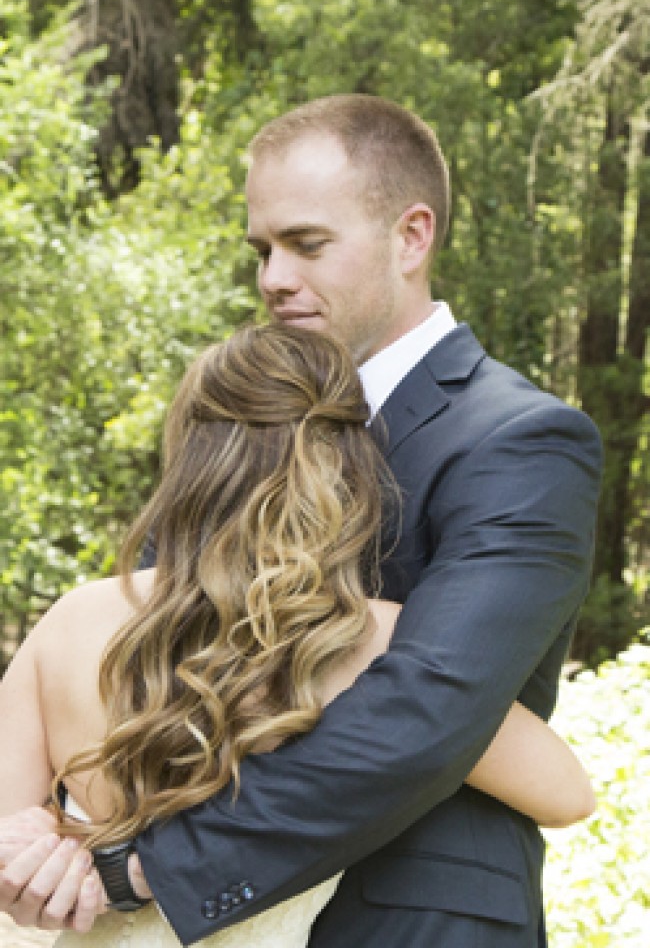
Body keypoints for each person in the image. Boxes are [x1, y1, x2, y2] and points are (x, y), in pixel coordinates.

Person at [0, 96, 603, 947]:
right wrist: (42, 838)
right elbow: (153, 663)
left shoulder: (519, 438)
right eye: (263, 249)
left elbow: (432, 705)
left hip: (410, 918)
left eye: (307, 244)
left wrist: (143, 868)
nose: (272, 278)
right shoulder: (238, 429)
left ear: (412, 236)